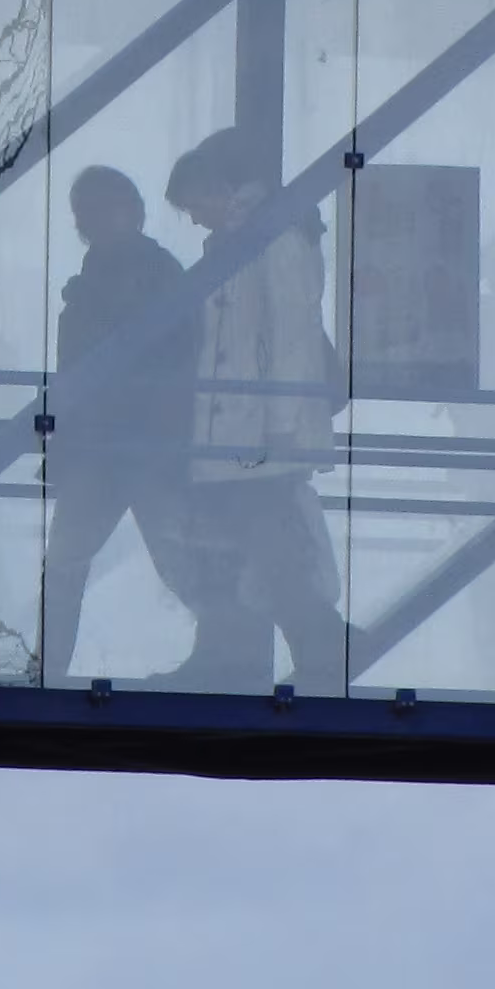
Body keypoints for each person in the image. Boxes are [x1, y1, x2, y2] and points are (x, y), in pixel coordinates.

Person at [161, 129, 346, 695]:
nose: (194, 217)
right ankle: (280, 651)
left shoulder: (274, 235)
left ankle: (306, 649)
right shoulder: (245, 238)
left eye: (195, 202)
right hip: (239, 436)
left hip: (258, 436)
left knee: (259, 548)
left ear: (223, 186)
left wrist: (284, 426)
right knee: (243, 548)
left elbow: (292, 337)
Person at [36, 166, 209, 681]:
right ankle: (226, 656)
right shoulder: (137, 277)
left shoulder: (126, 282)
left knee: (162, 560)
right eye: (86, 211)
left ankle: (46, 672)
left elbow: (170, 363)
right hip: (123, 447)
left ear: (132, 211)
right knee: (169, 560)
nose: (92, 220)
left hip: (134, 447)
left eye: (100, 208)